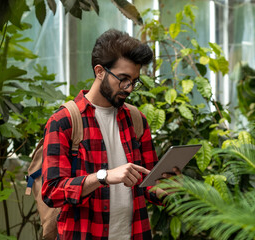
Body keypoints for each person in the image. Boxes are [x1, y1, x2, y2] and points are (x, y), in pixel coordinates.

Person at [41, 29, 179, 240]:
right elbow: (52, 192)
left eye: (134, 81)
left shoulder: (136, 120)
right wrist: (103, 177)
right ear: (99, 71)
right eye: (123, 79)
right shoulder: (64, 121)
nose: (130, 88)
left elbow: (147, 183)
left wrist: (168, 190)